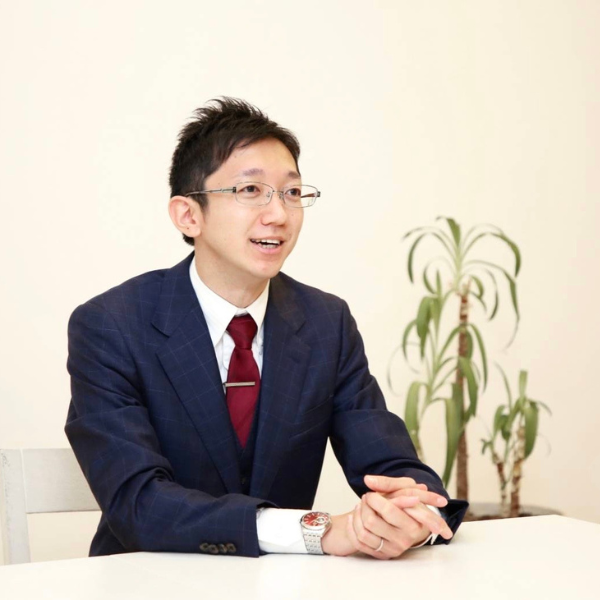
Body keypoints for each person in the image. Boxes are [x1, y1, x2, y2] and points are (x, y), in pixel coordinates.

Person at [66, 98, 467, 560]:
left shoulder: (325, 323)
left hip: (280, 585)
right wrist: (317, 531)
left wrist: (409, 515)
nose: (278, 214)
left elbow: (389, 463)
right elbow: (138, 504)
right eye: (251, 190)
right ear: (189, 215)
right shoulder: (111, 325)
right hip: (146, 582)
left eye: (292, 192)